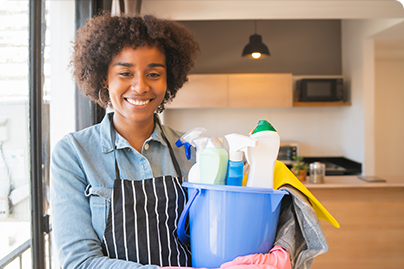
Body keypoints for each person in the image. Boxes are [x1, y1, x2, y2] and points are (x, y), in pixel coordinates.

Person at [51, 12, 291, 269]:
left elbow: (242, 216)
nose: (141, 86)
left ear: (169, 79)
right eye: (125, 73)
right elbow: (79, 262)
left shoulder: (195, 151)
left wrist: (283, 247)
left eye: (154, 74)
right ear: (103, 77)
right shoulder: (74, 153)